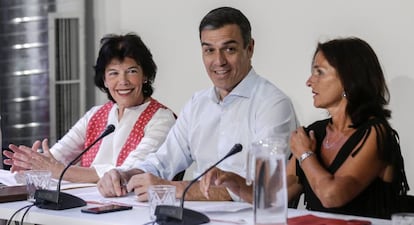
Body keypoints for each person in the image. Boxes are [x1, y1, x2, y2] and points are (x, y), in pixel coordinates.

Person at [97, 6, 298, 201]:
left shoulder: (273, 104)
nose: (219, 61)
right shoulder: (197, 104)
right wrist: (126, 176)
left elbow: (261, 189)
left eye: (229, 49)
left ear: (250, 48)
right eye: (209, 50)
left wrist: (171, 188)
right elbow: (161, 162)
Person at [201, 37, 410, 219]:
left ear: (348, 79)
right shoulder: (314, 133)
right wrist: (233, 182)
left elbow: (332, 196)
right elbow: (272, 198)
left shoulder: (375, 133)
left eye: (319, 72)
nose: (309, 82)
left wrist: (305, 154)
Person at [2, 33, 176, 183]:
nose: (123, 81)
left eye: (131, 71)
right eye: (113, 73)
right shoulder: (95, 115)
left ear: (145, 75)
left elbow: (129, 172)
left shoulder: (162, 118)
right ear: (105, 80)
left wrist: (59, 171)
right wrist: (33, 164)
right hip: (87, 207)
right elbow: (57, 156)